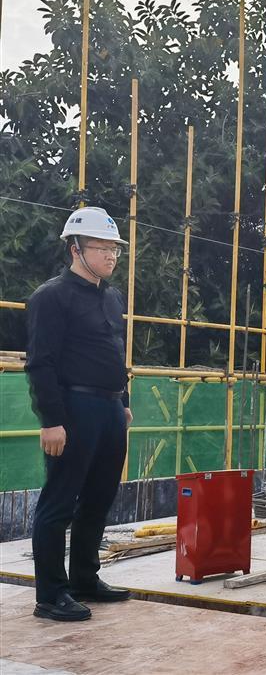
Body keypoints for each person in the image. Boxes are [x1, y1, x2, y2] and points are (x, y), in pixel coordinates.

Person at [25, 207, 133, 621]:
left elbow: (114, 351)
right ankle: (51, 594)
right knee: (60, 501)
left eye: (114, 249)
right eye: (101, 247)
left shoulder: (111, 297)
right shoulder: (51, 296)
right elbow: (41, 363)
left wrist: (123, 402)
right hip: (74, 408)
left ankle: (85, 578)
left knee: (99, 498)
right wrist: (51, 420)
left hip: (109, 407)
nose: (110, 255)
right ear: (75, 248)